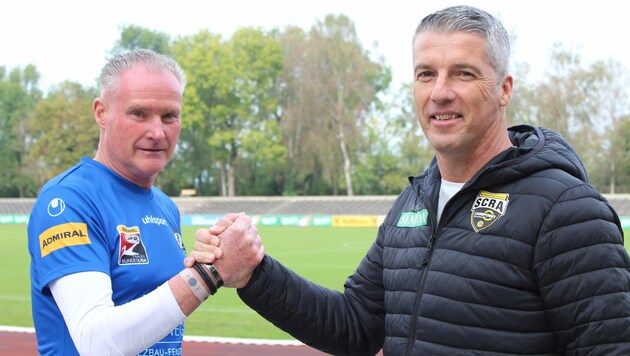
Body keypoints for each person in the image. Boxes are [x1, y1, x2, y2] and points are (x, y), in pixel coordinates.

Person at [191, 5, 630, 355]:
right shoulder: (414, 202)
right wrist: (254, 274)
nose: (440, 91)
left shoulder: (567, 211)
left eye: (463, 72)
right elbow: (355, 327)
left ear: (504, 89)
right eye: (426, 74)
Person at [27, 48, 264, 355]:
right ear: (101, 113)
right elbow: (96, 344)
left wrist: (214, 257)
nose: (157, 132)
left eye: (170, 116)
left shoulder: (166, 207)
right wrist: (209, 274)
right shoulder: (68, 201)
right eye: (138, 114)